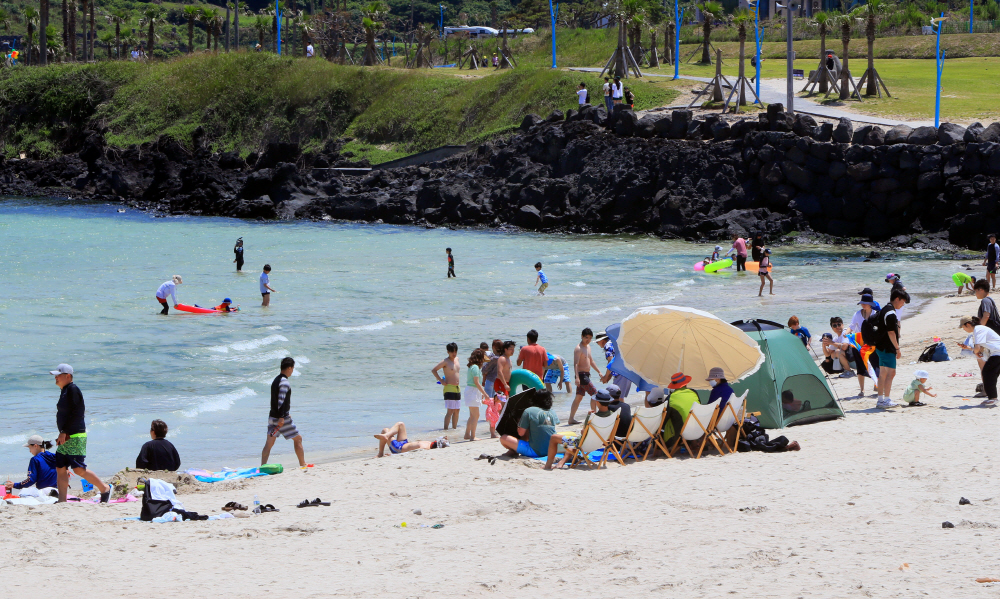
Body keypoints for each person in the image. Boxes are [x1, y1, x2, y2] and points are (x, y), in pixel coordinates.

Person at [50, 364, 112, 503]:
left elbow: (78, 412)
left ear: (68, 376)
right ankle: (62, 501)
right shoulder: (65, 391)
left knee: (78, 469)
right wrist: (62, 432)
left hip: (75, 436)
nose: (56, 377)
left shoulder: (73, 389)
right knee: (60, 467)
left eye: (58, 375)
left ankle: (105, 488)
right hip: (66, 436)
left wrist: (64, 431)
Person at [544, 390, 615, 470]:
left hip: (584, 444)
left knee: (554, 437)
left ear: (597, 402)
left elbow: (583, 432)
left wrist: (588, 416)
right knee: (576, 440)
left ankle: (548, 466)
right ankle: (561, 463)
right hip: (600, 443)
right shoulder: (613, 415)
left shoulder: (592, 416)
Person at [261, 357, 306, 467]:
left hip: (272, 417)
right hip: (281, 419)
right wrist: (282, 416)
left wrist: (285, 412)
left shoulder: (276, 380)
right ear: (290, 368)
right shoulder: (285, 382)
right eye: (292, 368)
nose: (292, 371)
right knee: (298, 438)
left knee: (269, 443)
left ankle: (263, 466)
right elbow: (281, 400)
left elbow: (275, 400)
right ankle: (303, 464)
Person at [874, 288, 911, 408]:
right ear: (897, 299)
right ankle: (886, 399)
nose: (902, 304)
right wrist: (897, 348)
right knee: (891, 373)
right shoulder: (890, 313)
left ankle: (881, 400)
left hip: (880, 346)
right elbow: (891, 332)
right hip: (887, 348)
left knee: (883, 374)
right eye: (902, 302)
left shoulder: (885, 309)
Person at [499, 390, 559, 458]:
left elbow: (521, 433)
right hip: (552, 450)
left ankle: (513, 451)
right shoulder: (552, 412)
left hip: (535, 452)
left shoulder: (529, 411)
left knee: (503, 438)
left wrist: (520, 423)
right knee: (530, 429)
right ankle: (514, 451)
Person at [959, 315, 1000, 406]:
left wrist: (974, 351)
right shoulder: (980, 329)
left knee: (987, 373)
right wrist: (969, 348)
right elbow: (979, 349)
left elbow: (977, 348)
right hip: (996, 353)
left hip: (997, 353)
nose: (964, 330)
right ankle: (992, 397)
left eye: (963, 327)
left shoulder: (978, 329)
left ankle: (993, 398)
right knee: (990, 374)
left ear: (968, 324)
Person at [850, 293, 881, 398]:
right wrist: (847, 333)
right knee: (860, 367)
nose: (863, 305)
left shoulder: (876, 314)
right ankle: (862, 390)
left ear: (870, 304)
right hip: (859, 343)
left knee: (875, 364)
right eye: (862, 303)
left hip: (872, 343)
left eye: (865, 303)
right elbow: (852, 327)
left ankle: (876, 384)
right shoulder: (857, 314)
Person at [571, 328, 602, 424]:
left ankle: (570, 419)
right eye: (586, 338)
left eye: (590, 338)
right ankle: (594, 417)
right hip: (581, 376)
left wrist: (599, 372)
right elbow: (575, 364)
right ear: (582, 336)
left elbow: (591, 361)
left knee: (578, 397)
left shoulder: (588, 347)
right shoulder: (578, 349)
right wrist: (576, 378)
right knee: (595, 394)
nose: (588, 340)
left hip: (587, 375)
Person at [432, 342, 462, 430]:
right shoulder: (445, 361)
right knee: (450, 410)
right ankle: (445, 429)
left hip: (457, 388)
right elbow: (434, 370)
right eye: (452, 351)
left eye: (455, 351)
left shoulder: (457, 359)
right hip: (449, 388)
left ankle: (454, 429)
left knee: (457, 410)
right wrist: (441, 380)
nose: (454, 353)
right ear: (448, 351)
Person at [375, 422, 449, 456]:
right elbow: (442, 438)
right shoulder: (430, 443)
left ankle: (380, 454)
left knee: (385, 430)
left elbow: (409, 453)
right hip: (404, 443)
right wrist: (445, 438)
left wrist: (392, 455)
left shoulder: (425, 447)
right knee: (401, 424)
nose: (442, 439)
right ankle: (387, 435)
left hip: (398, 448)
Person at [595, 331, 631, 398]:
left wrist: (606, 376)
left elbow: (611, 362)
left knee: (615, 397)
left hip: (621, 373)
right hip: (628, 371)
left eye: (597, 342)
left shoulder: (607, 346)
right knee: (619, 397)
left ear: (602, 340)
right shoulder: (614, 342)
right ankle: (624, 408)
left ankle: (623, 408)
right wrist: (609, 377)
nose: (597, 344)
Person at [464, 348, 488, 441]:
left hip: (472, 390)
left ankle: (467, 434)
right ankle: (472, 436)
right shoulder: (475, 367)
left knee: (472, 415)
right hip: (473, 390)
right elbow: (476, 382)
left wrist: (481, 393)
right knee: (476, 415)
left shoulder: (472, 367)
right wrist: (485, 394)